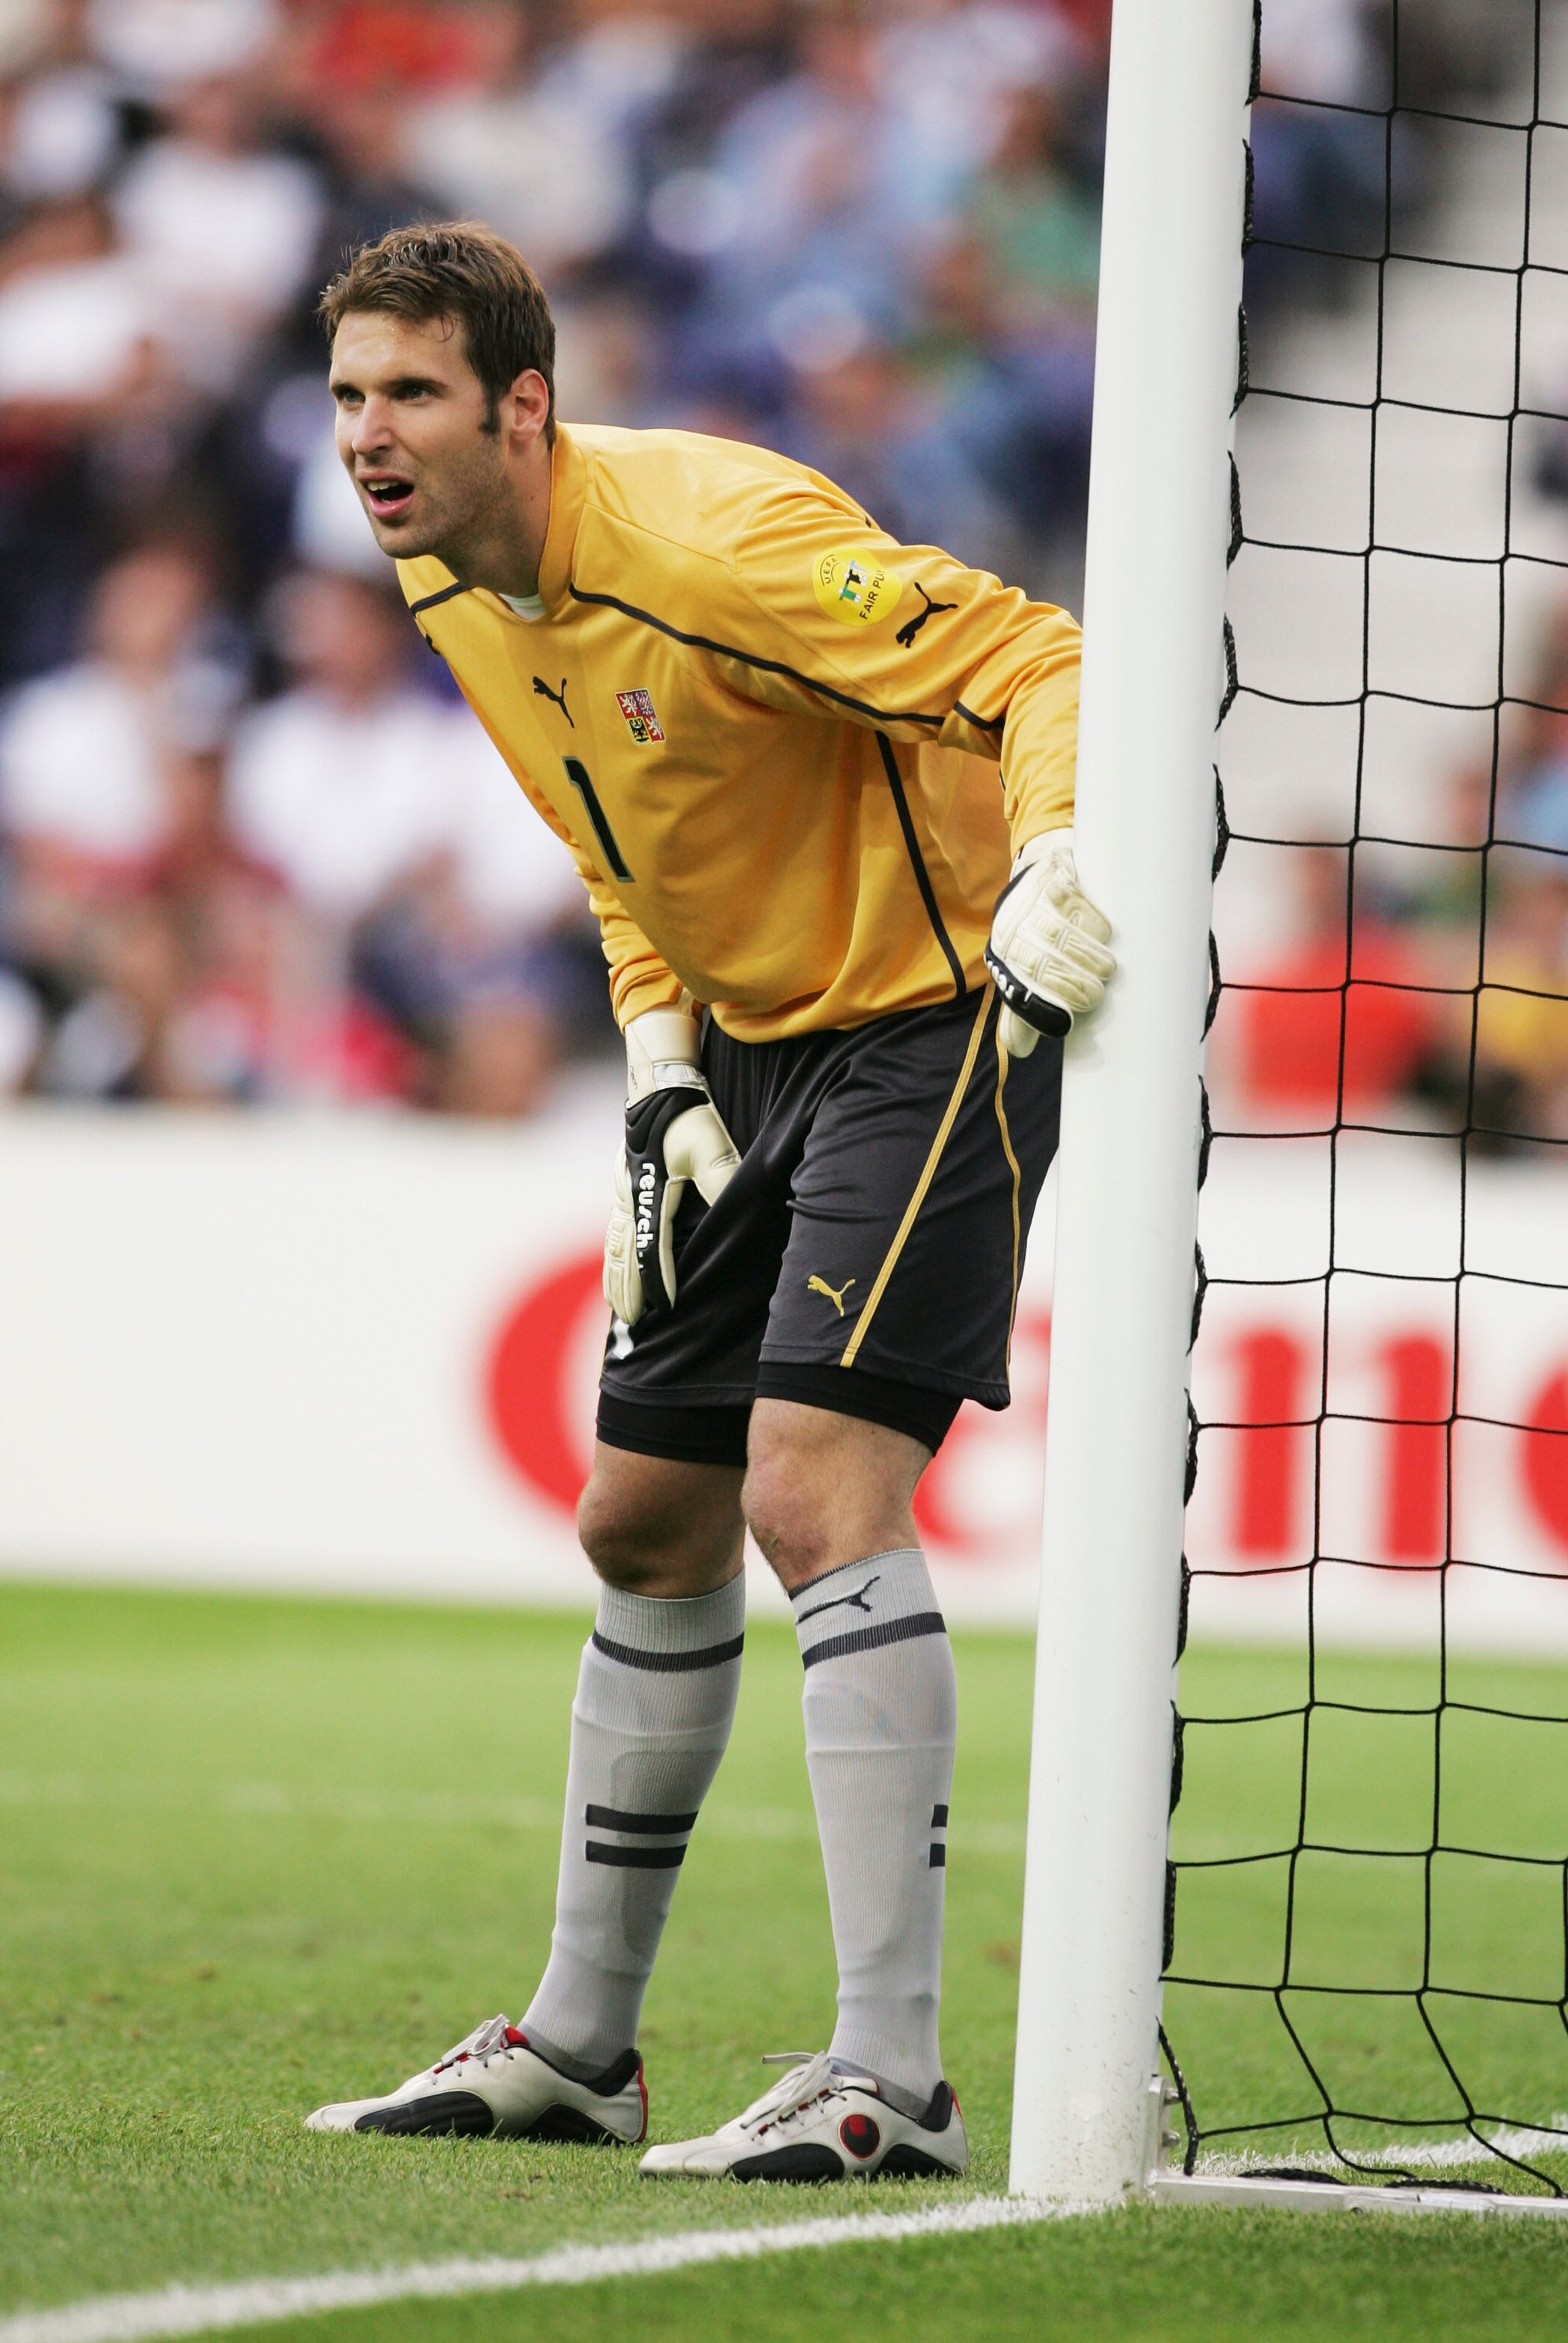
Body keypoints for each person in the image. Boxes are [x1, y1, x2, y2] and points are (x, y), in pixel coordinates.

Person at [302, 221, 1112, 2181]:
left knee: (812, 1486)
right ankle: (578, 2045)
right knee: (640, 1509)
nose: (368, 437)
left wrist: (1066, 861)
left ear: (522, 402)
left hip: (931, 1014)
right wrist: (658, 1056)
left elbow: (1035, 650)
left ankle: (889, 2076)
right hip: (739, 1052)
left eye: (409, 392)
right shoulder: (455, 583)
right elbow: (615, 846)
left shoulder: (703, 544)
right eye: (345, 396)